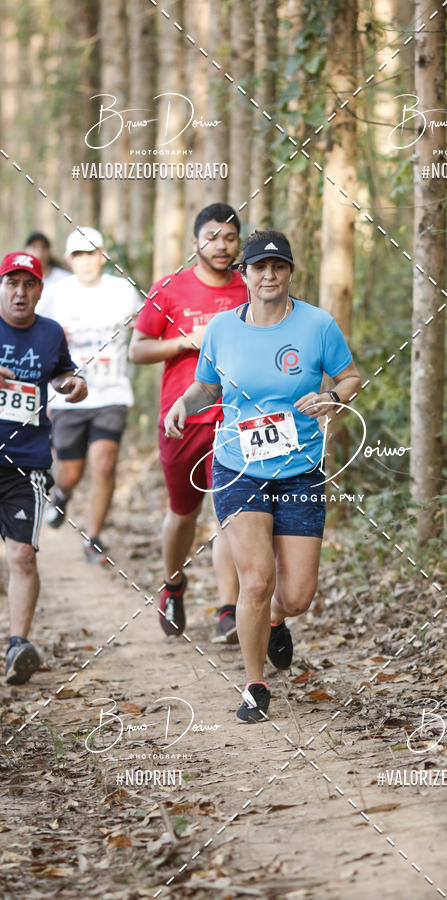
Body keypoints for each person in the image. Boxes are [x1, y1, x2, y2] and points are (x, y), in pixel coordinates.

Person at [164, 229, 362, 723]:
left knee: (295, 595)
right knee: (255, 581)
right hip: (237, 469)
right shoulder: (222, 330)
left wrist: (332, 398)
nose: (269, 275)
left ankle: (275, 620)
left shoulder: (318, 325)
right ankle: (255, 684)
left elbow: (351, 377)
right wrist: (180, 406)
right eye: (259, 267)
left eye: (278, 267)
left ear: (290, 272)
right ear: (244, 274)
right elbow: (205, 388)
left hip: (300, 471)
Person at [129, 203, 245, 642]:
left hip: (236, 418)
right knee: (184, 514)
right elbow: (137, 350)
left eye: (230, 237)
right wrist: (186, 341)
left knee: (232, 515)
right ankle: (173, 585)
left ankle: (228, 611)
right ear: (196, 241)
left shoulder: (247, 288)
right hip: (182, 418)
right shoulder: (171, 289)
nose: (221, 245)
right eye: (212, 236)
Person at [0, 251, 87, 684]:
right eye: (12, 283)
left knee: (23, 555)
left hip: (26, 461)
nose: (20, 292)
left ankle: (18, 645)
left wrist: (74, 385)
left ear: (39, 289)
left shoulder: (50, 333)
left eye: (28, 284)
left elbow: (63, 373)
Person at [42, 227, 138, 562]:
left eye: (92, 253)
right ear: (70, 259)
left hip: (111, 392)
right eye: (79, 255)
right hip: (68, 394)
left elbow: (141, 330)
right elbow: (43, 345)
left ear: (103, 255)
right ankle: (62, 493)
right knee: (70, 471)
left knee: (104, 463)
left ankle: (93, 537)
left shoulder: (123, 291)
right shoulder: (56, 294)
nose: (86, 261)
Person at [24, 232, 69, 304]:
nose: (39, 253)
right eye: (34, 247)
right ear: (26, 250)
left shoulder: (64, 279)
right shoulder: (20, 280)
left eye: (43, 247)